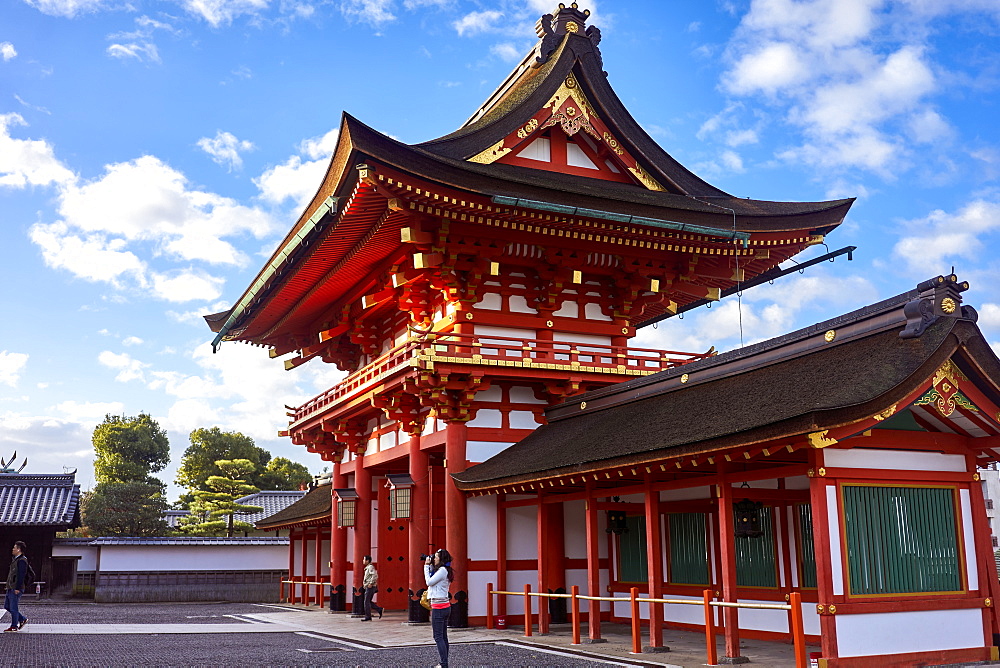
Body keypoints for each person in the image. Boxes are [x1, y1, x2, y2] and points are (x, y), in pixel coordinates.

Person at [424, 548, 454, 668]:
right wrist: (431, 566)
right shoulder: (444, 570)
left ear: (441, 559)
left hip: (439, 607)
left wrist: (426, 567)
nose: (434, 558)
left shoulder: (442, 570)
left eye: (436, 557)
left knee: (438, 637)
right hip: (444, 606)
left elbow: (429, 582)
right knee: (443, 636)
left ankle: (443, 664)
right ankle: (444, 662)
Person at [4, 541, 28, 632]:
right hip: (10, 587)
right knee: (7, 606)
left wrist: (18, 587)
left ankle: (14, 626)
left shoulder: (22, 561)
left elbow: (21, 575)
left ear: (19, 549)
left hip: (15, 588)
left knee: (13, 607)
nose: (13, 549)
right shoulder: (15, 559)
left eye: (14, 548)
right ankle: (22, 619)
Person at [361, 555, 383, 621]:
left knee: (366, 602)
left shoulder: (370, 567)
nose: (363, 561)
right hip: (368, 586)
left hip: (370, 586)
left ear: (367, 561)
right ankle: (379, 609)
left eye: (364, 559)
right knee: (368, 601)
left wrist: (371, 583)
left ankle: (368, 616)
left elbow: (375, 575)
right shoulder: (368, 567)